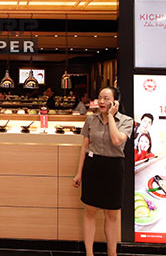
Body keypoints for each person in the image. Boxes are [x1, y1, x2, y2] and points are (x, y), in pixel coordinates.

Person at [72, 87, 133, 256]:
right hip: (93, 166)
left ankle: (112, 253)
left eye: (106, 98)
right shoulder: (91, 119)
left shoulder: (127, 121)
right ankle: (89, 253)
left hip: (114, 168)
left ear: (115, 102)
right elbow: (84, 148)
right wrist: (79, 173)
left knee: (112, 214)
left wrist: (111, 117)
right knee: (90, 212)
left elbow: (117, 140)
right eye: (100, 98)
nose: (101, 101)